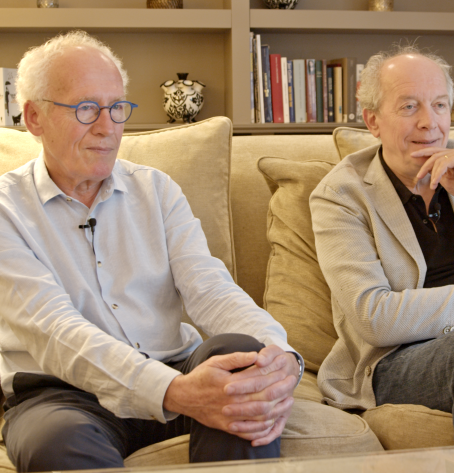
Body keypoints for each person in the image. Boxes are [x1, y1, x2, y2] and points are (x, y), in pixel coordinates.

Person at [0, 31, 302, 472]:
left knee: (243, 355)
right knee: (55, 441)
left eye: (117, 108)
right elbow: (53, 330)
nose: (107, 128)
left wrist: (281, 355)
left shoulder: (156, 190)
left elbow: (210, 289)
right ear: (34, 117)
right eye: (86, 109)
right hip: (63, 395)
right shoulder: (6, 209)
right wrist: (174, 393)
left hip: (177, 367)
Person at [310, 44, 454, 444]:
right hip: (399, 360)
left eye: (440, 105)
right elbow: (375, 317)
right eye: (410, 107)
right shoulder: (341, 195)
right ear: (373, 121)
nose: (430, 123)